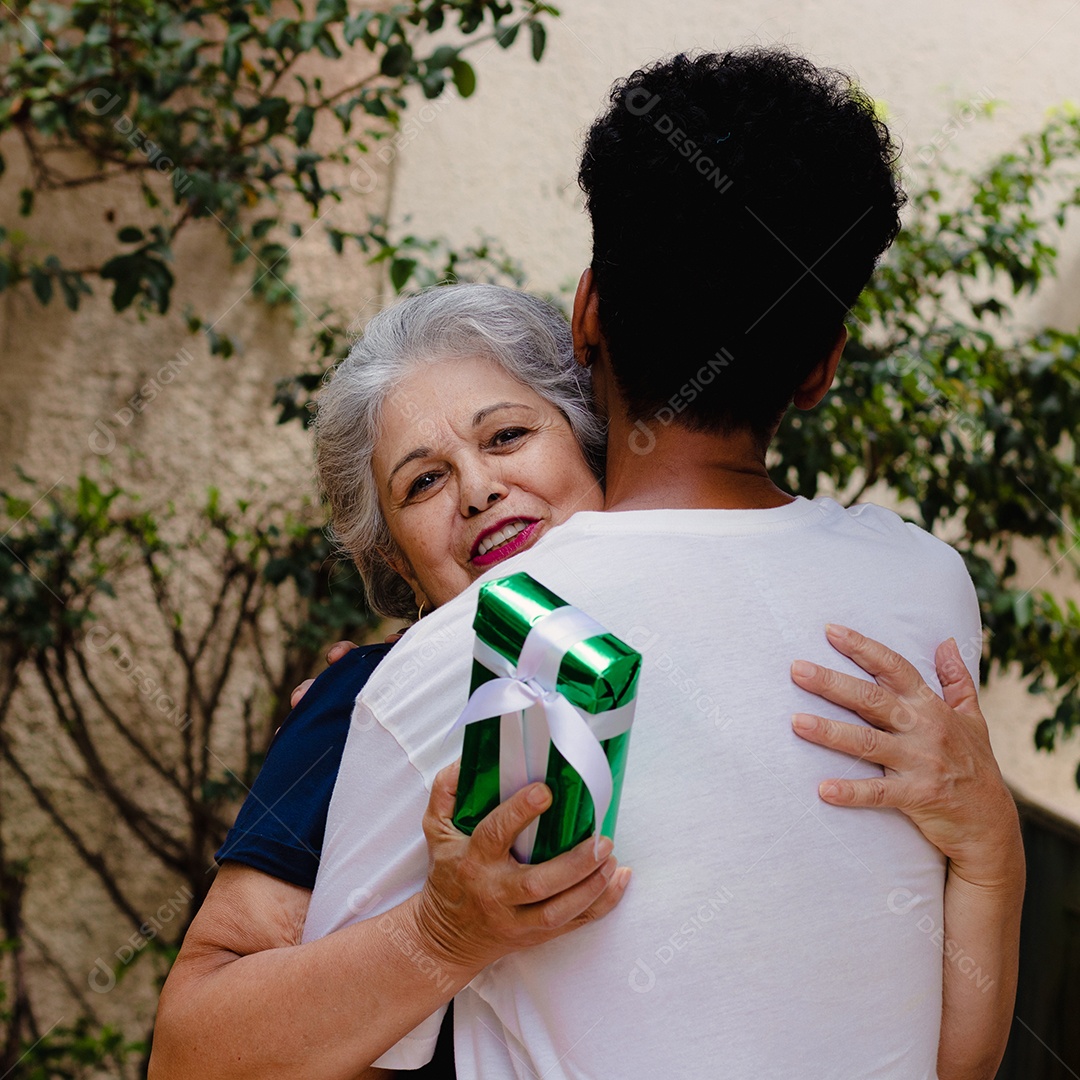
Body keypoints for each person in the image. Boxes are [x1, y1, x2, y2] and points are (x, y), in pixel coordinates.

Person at [149, 50, 1023, 1080]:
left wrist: (994, 841)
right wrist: (439, 934)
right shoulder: (923, 589)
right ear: (824, 365)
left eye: (509, 437)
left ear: (589, 318)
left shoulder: (447, 668)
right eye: (422, 483)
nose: (478, 491)